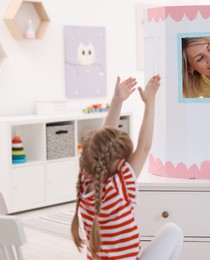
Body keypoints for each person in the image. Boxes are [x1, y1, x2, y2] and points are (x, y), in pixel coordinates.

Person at [70, 75, 183, 260]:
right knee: (173, 231)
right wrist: (150, 102)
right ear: (118, 164)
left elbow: (104, 138)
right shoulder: (119, 186)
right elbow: (144, 147)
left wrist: (117, 100)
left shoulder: (84, 183)